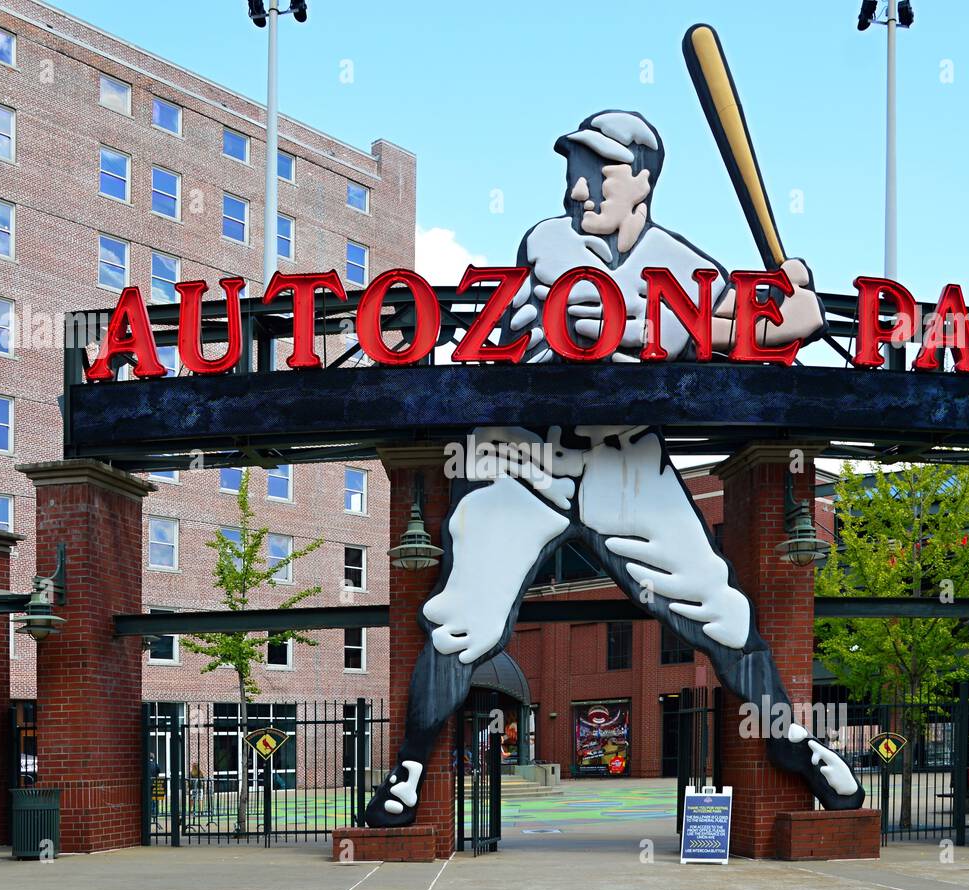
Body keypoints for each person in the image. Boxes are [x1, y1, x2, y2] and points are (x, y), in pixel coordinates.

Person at [363, 111, 863, 827]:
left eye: (599, 171)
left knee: (721, 607)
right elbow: (620, 326)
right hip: (522, 454)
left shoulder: (684, 260)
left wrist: (786, 312)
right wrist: (777, 322)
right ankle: (408, 772)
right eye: (573, 168)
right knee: (463, 618)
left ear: (644, 181)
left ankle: (790, 740)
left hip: (624, 456)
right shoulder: (551, 241)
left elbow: (718, 323)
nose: (578, 188)